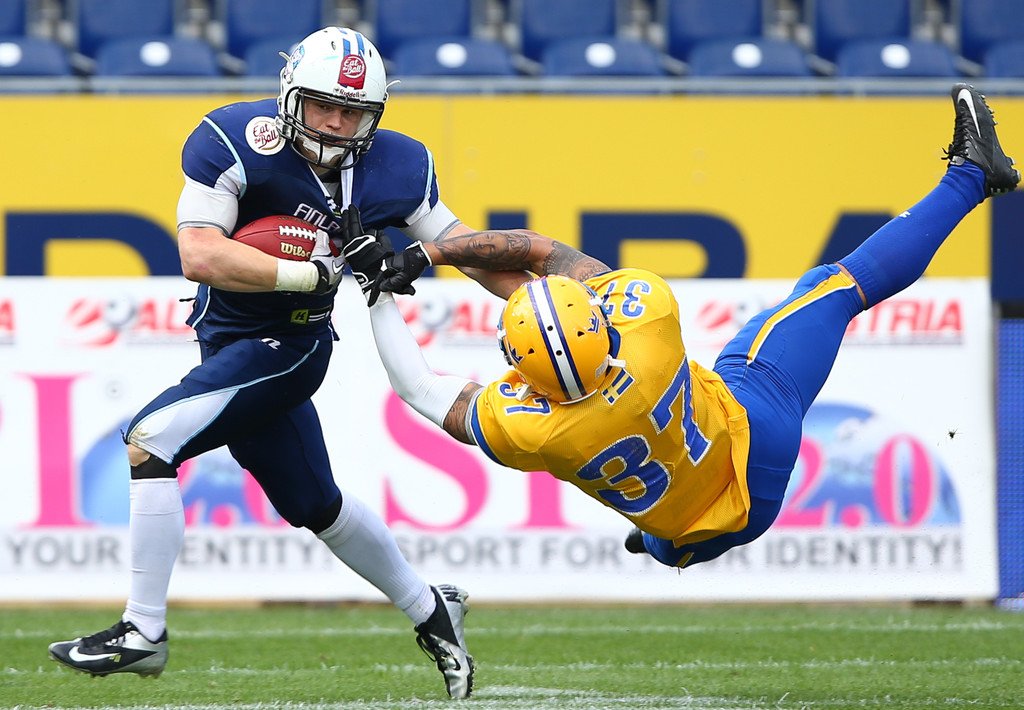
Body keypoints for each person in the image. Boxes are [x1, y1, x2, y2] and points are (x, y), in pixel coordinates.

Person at [338, 83, 1018, 571]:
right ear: (601, 326)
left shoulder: (535, 428)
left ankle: (658, 547)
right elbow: (541, 253)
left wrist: (377, 291)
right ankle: (970, 178)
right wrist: (427, 255)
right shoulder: (646, 319)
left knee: (665, 541)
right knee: (833, 289)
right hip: (753, 436)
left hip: (712, 527)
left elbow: (418, 389)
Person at [46, 27, 510, 699]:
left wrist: (524, 290)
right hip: (229, 336)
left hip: (291, 346)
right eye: (324, 104)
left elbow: (468, 248)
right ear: (291, 95)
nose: (336, 122)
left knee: (151, 440)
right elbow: (199, 254)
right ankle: (431, 608)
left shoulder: (399, 165)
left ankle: (143, 631)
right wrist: (314, 272)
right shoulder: (235, 137)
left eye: (352, 111)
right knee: (315, 505)